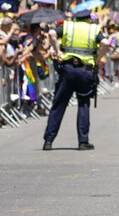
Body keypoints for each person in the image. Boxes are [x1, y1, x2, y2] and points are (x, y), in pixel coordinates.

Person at [43, 9, 102, 151]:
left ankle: (48, 141)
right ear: (88, 19)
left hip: (67, 68)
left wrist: (57, 52)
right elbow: (105, 42)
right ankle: (83, 141)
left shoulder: (68, 26)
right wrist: (98, 59)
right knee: (83, 103)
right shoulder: (94, 29)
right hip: (86, 69)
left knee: (59, 104)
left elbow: (51, 33)